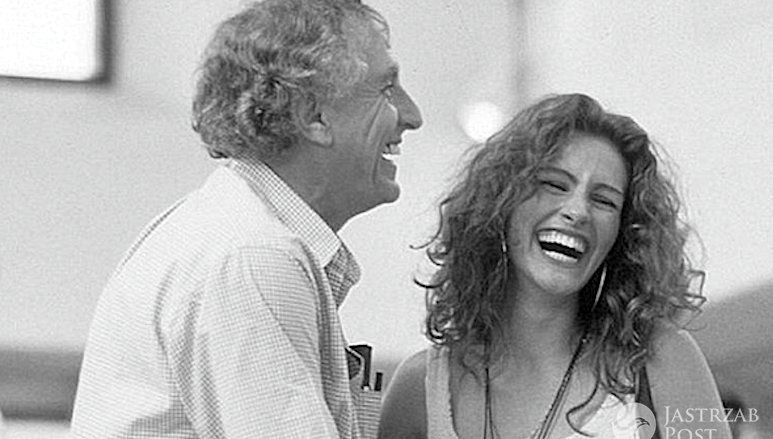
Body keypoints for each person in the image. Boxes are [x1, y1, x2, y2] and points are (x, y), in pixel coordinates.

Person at [70, 0, 422, 437]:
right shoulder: (254, 257)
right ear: (313, 114)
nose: (412, 116)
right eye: (386, 89)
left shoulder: (228, 227)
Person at [378, 94, 730, 439]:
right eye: (554, 185)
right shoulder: (421, 390)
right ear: (500, 202)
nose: (577, 211)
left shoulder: (662, 361)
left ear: (624, 234)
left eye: (604, 200)